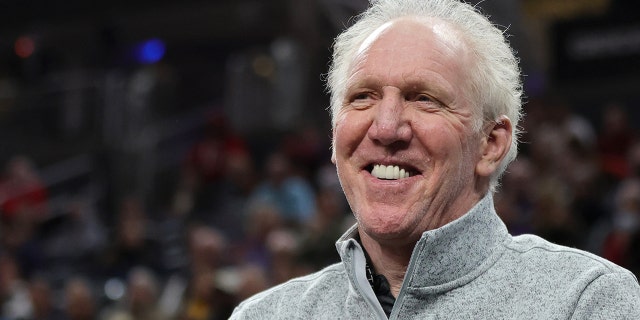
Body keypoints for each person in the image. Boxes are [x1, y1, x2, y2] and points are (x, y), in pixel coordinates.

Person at [230, 0, 640, 318]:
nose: (386, 128)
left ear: (490, 144)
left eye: (424, 99)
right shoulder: (265, 315)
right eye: (362, 97)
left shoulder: (587, 303)